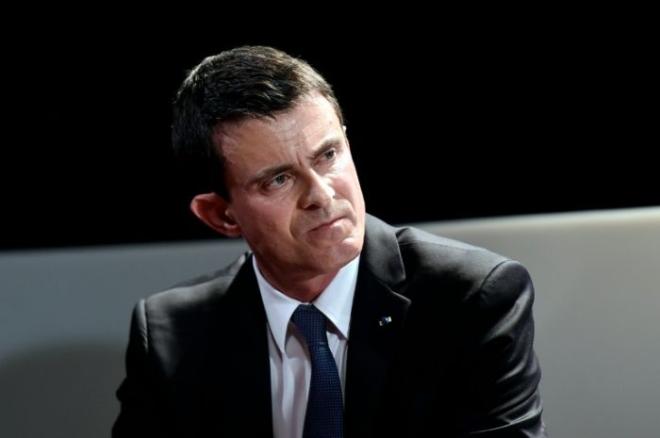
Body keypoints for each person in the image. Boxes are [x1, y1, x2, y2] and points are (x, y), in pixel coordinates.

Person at [113, 45, 547, 437]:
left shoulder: (470, 298)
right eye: (278, 180)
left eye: (328, 155)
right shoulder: (172, 334)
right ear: (221, 215)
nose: (321, 195)